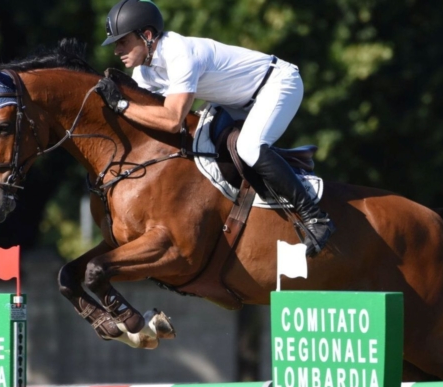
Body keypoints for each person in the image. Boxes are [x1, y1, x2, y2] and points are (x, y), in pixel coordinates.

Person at [95, 0, 335, 256]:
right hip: (234, 101)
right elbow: (147, 118)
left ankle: (315, 218)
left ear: (148, 35)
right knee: (204, 140)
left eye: (123, 42)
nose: (117, 50)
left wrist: (121, 104)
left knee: (249, 147)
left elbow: (172, 119)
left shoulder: (179, 52)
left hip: (277, 84)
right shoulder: (144, 72)